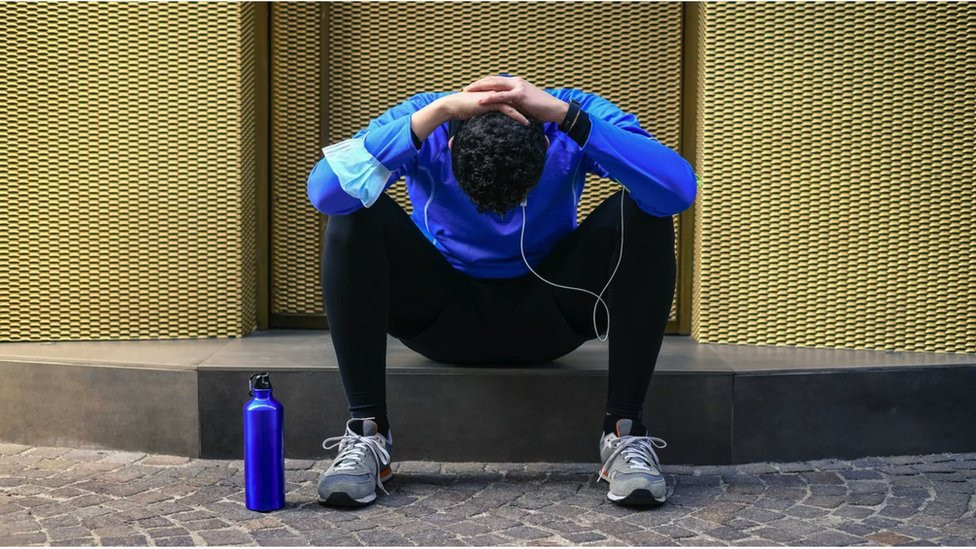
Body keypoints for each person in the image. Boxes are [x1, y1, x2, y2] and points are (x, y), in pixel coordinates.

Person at [306, 73, 699, 508]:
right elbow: (324, 191)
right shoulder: (425, 118)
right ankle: (368, 435)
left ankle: (624, 434)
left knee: (646, 212)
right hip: (441, 317)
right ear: (451, 148)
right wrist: (436, 114)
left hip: (551, 312)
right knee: (352, 211)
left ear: (547, 149)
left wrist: (567, 117)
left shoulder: (569, 115)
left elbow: (678, 189)